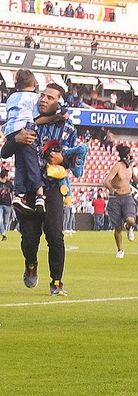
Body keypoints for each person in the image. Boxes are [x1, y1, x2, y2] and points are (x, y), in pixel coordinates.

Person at [4, 83, 79, 293]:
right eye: (42, 96)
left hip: (53, 187)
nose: (43, 99)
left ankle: (56, 282)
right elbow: (4, 152)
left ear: (59, 103)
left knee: (55, 235)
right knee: (29, 239)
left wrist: (63, 159)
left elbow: (76, 159)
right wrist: (16, 139)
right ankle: (31, 264)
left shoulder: (69, 127)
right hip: (27, 189)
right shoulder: (26, 121)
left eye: (50, 97)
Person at [4, 69, 44, 215]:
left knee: (20, 163)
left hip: (10, 131)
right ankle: (40, 193)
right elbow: (38, 116)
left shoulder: (11, 97)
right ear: (34, 83)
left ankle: (18, 194)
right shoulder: (35, 98)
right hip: (25, 131)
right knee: (31, 162)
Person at [103, 144, 138, 258]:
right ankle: (120, 250)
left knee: (131, 220)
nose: (132, 156)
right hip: (115, 199)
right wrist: (112, 189)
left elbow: (134, 178)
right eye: (130, 154)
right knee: (117, 227)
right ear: (126, 155)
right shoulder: (117, 166)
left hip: (127, 197)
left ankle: (129, 227)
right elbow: (106, 181)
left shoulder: (130, 166)